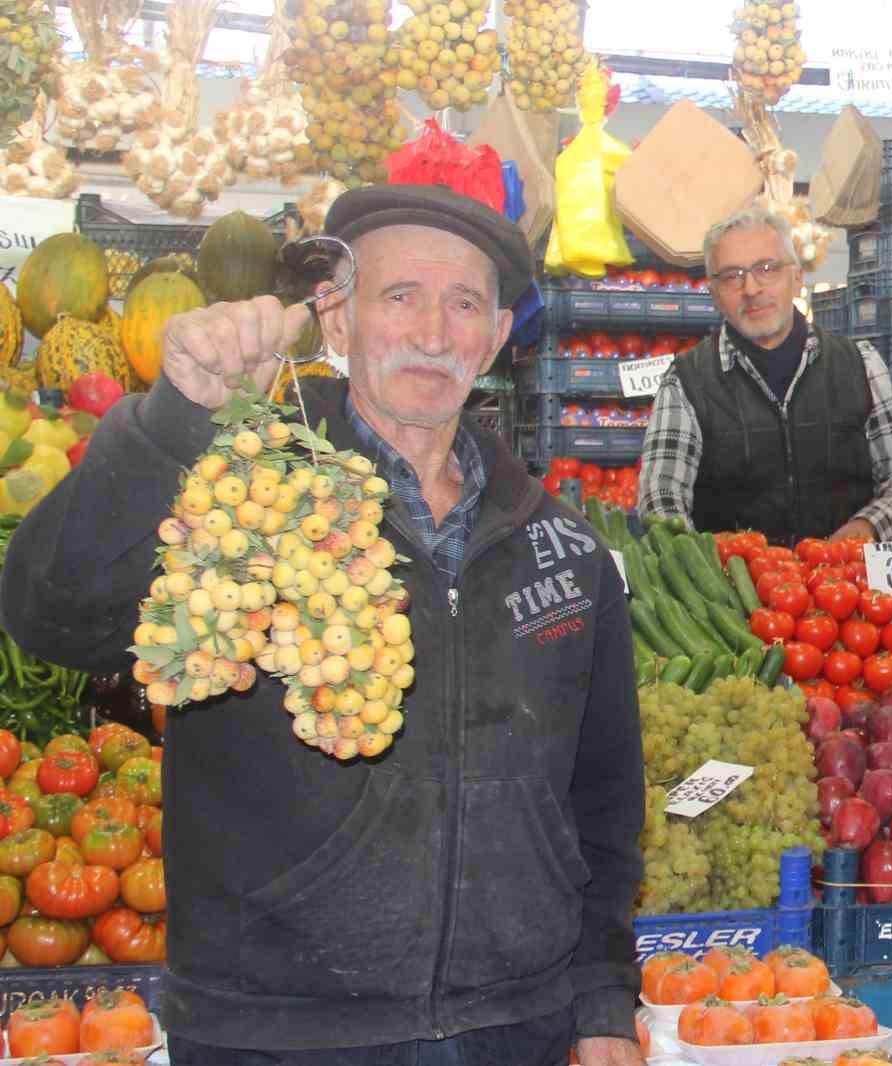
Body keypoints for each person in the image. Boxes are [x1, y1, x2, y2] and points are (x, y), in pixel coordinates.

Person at [0, 184, 646, 1066]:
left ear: (496, 338)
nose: (432, 331)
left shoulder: (561, 548)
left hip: (514, 1028)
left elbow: (603, 800)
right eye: (398, 297)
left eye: (463, 303)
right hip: (277, 1031)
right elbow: (52, 616)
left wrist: (603, 1000)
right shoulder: (239, 506)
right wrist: (173, 421)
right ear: (335, 321)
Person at [638, 205, 892, 544]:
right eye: (732, 276)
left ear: (796, 278)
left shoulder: (860, 363)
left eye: (767, 268)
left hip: (847, 585)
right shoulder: (685, 383)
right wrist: (701, 563)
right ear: (715, 294)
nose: (751, 288)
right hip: (738, 589)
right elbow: (660, 496)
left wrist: (870, 527)